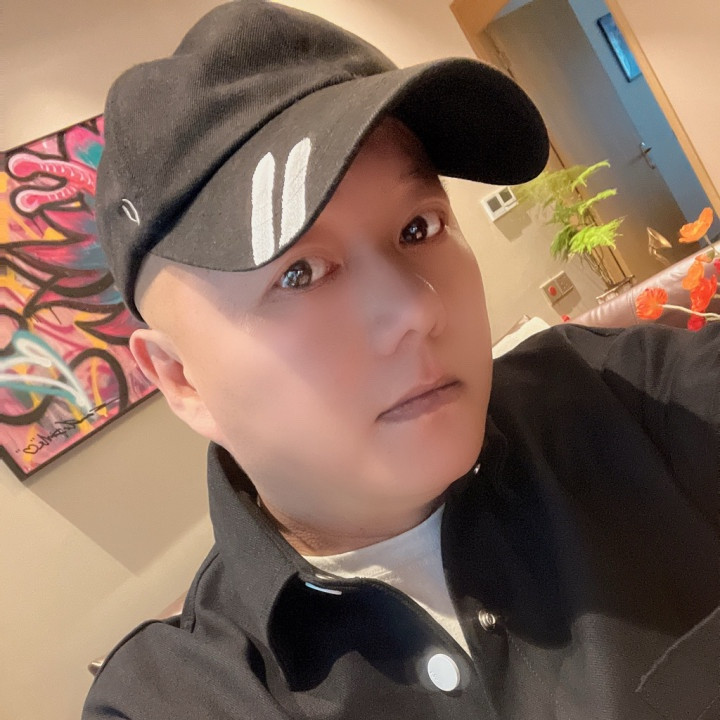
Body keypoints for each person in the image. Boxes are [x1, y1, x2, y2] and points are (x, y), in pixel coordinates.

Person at [83, 2, 719, 719]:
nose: (416, 307)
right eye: (298, 273)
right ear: (181, 380)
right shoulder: (170, 700)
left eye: (419, 226)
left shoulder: (639, 401)